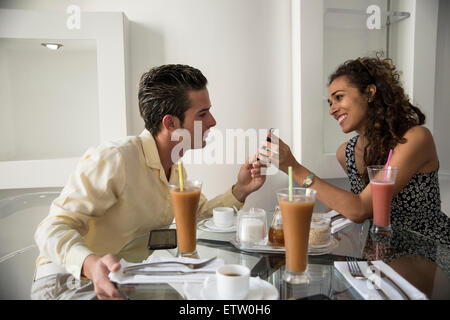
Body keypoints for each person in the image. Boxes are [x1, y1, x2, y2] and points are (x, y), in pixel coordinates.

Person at [32, 64, 266, 300]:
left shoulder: (175, 166)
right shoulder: (116, 158)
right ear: (171, 124)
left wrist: (240, 190)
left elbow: (195, 214)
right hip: (69, 282)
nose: (213, 121)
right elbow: (51, 228)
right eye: (202, 114)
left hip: (123, 278)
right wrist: (92, 266)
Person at [260, 54, 450, 246]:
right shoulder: (346, 153)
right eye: (330, 103)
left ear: (369, 93)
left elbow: (361, 209)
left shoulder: (414, 139)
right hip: (382, 250)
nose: (332, 110)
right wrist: (312, 222)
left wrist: (294, 168)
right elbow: (348, 205)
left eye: (339, 98)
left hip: (429, 251)